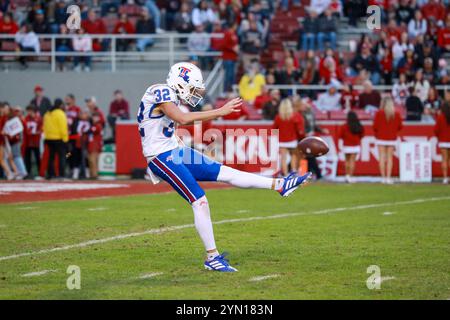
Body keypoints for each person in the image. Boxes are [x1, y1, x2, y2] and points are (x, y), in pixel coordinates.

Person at [137, 62, 312, 272]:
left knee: (228, 173)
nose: (194, 93)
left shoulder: (171, 96)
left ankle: (281, 185)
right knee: (200, 201)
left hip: (174, 150)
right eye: (192, 88)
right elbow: (181, 118)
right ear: (179, 82)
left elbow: (172, 122)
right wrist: (219, 111)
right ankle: (212, 257)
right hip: (160, 156)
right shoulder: (161, 90)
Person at [373, 96, 403, 184]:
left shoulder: (379, 113)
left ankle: (383, 178)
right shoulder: (396, 114)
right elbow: (400, 126)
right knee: (390, 158)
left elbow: (375, 126)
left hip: (381, 138)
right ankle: (388, 178)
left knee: (382, 157)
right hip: (391, 138)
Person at [273, 99, 304, 176]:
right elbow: (299, 129)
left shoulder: (278, 117)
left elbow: (274, 129)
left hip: (282, 140)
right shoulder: (294, 116)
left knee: (283, 158)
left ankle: (285, 174)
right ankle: (293, 172)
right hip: (292, 140)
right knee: (293, 156)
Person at [43, 98, 68, 179]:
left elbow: (45, 126)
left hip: (48, 139)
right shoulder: (60, 113)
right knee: (62, 157)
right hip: (58, 138)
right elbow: (63, 128)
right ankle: (61, 174)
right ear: (60, 105)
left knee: (51, 157)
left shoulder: (47, 113)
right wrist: (65, 139)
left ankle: (51, 174)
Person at [339, 111, 364, 183]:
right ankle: (350, 176)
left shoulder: (344, 126)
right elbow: (362, 135)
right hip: (355, 146)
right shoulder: (359, 125)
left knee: (347, 161)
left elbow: (341, 135)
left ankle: (347, 175)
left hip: (347, 145)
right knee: (352, 161)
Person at [24, 105, 42, 178]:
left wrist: (38, 132)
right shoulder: (26, 118)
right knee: (28, 158)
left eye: (30, 110)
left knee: (38, 157)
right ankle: (28, 172)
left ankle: (40, 172)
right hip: (28, 142)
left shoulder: (38, 118)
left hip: (36, 141)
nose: (29, 112)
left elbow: (41, 128)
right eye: (28, 111)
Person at [434, 102, 450, 184]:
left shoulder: (440, 117)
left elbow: (436, 130)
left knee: (444, 160)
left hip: (443, 141)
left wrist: (439, 136)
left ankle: (445, 178)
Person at [88, 111, 103, 179]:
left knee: (93, 160)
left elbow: (92, 130)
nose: (94, 118)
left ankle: (94, 174)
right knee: (91, 160)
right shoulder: (93, 125)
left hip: (95, 145)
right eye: (94, 117)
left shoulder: (98, 125)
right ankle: (92, 174)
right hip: (92, 145)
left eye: (96, 117)